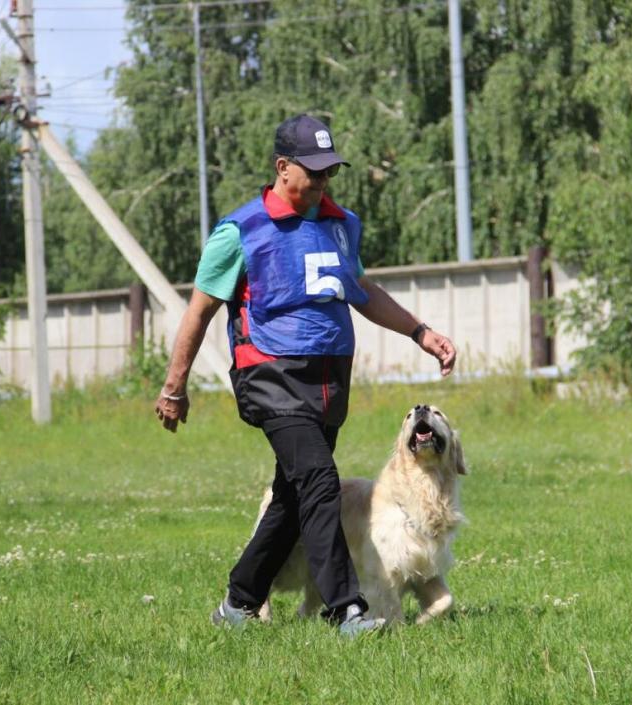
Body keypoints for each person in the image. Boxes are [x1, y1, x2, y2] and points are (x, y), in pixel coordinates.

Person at [154, 114, 457, 637]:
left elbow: (363, 292)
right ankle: (348, 611)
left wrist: (420, 332)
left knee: (292, 498)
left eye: (329, 172)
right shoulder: (240, 231)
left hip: (328, 379)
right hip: (269, 375)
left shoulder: (341, 224)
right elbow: (198, 311)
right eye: (312, 172)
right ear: (282, 167)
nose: (321, 182)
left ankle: (238, 603)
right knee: (320, 482)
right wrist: (173, 386)